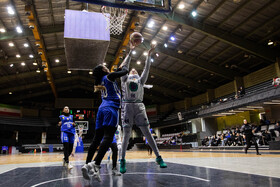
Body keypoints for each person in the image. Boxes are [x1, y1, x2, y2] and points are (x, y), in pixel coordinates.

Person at [81, 46, 131, 181]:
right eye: (104, 66)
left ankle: (87, 165)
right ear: (103, 69)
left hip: (101, 109)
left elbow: (117, 73)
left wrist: (119, 68)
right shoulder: (110, 76)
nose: (106, 66)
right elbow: (125, 71)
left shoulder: (102, 80)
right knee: (108, 137)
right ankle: (95, 164)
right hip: (111, 109)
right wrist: (124, 66)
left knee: (97, 139)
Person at [120, 42, 167, 174]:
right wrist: (130, 52)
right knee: (126, 135)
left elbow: (147, 68)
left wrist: (149, 55)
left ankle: (158, 157)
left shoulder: (141, 81)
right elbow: (125, 66)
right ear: (128, 73)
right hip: (127, 106)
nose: (133, 69)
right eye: (131, 70)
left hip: (139, 106)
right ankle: (122, 160)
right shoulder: (124, 79)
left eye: (135, 70)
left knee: (147, 133)